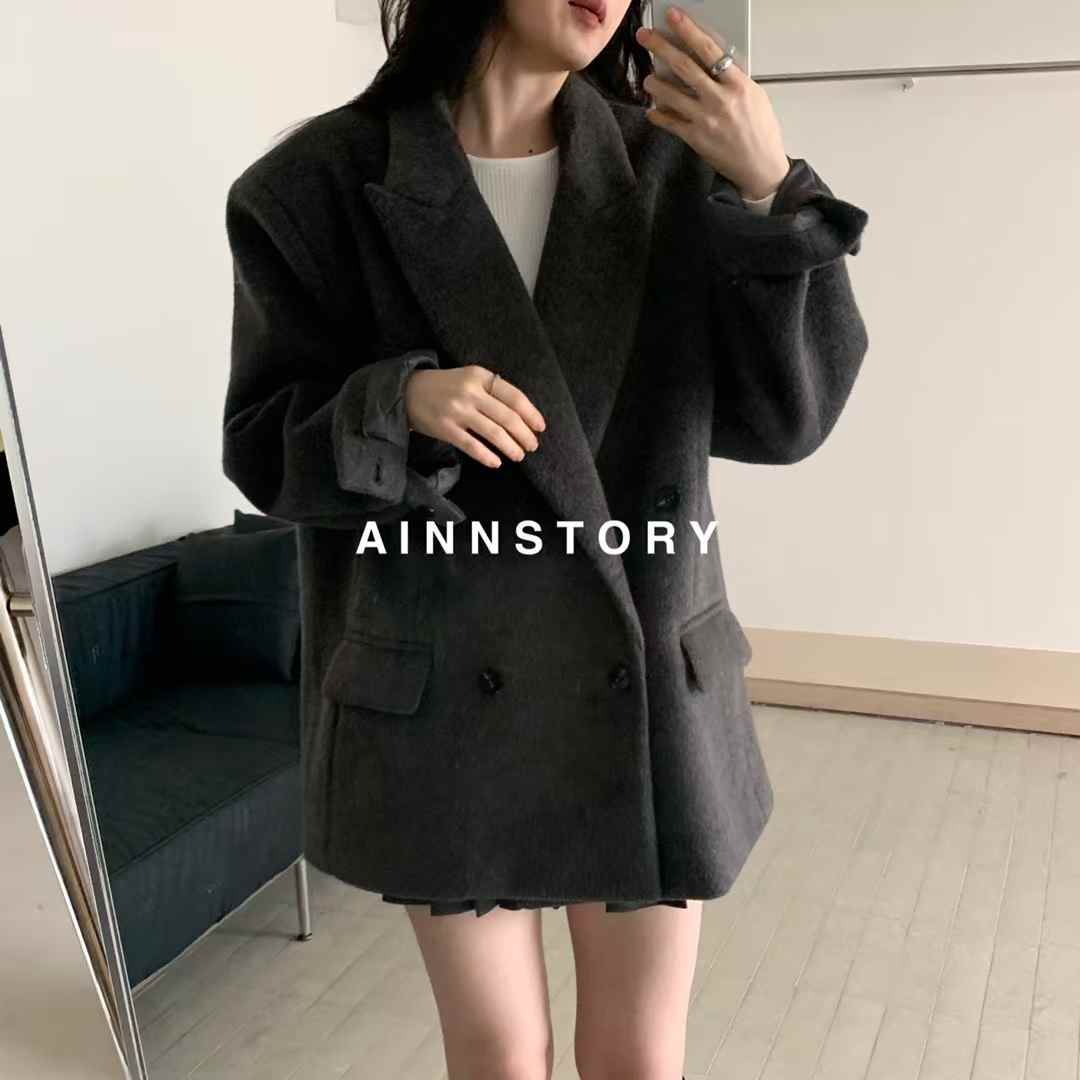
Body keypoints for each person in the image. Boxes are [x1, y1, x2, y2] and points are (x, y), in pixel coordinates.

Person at [221, 1, 870, 1076]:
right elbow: (259, 447)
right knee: (501, 1055)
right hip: (444, 696)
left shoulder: (674, 167)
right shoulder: (313, 187)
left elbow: (787, 419)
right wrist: (395, 405)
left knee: (637, 1057)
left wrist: (772, 191)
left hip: (643, 681)